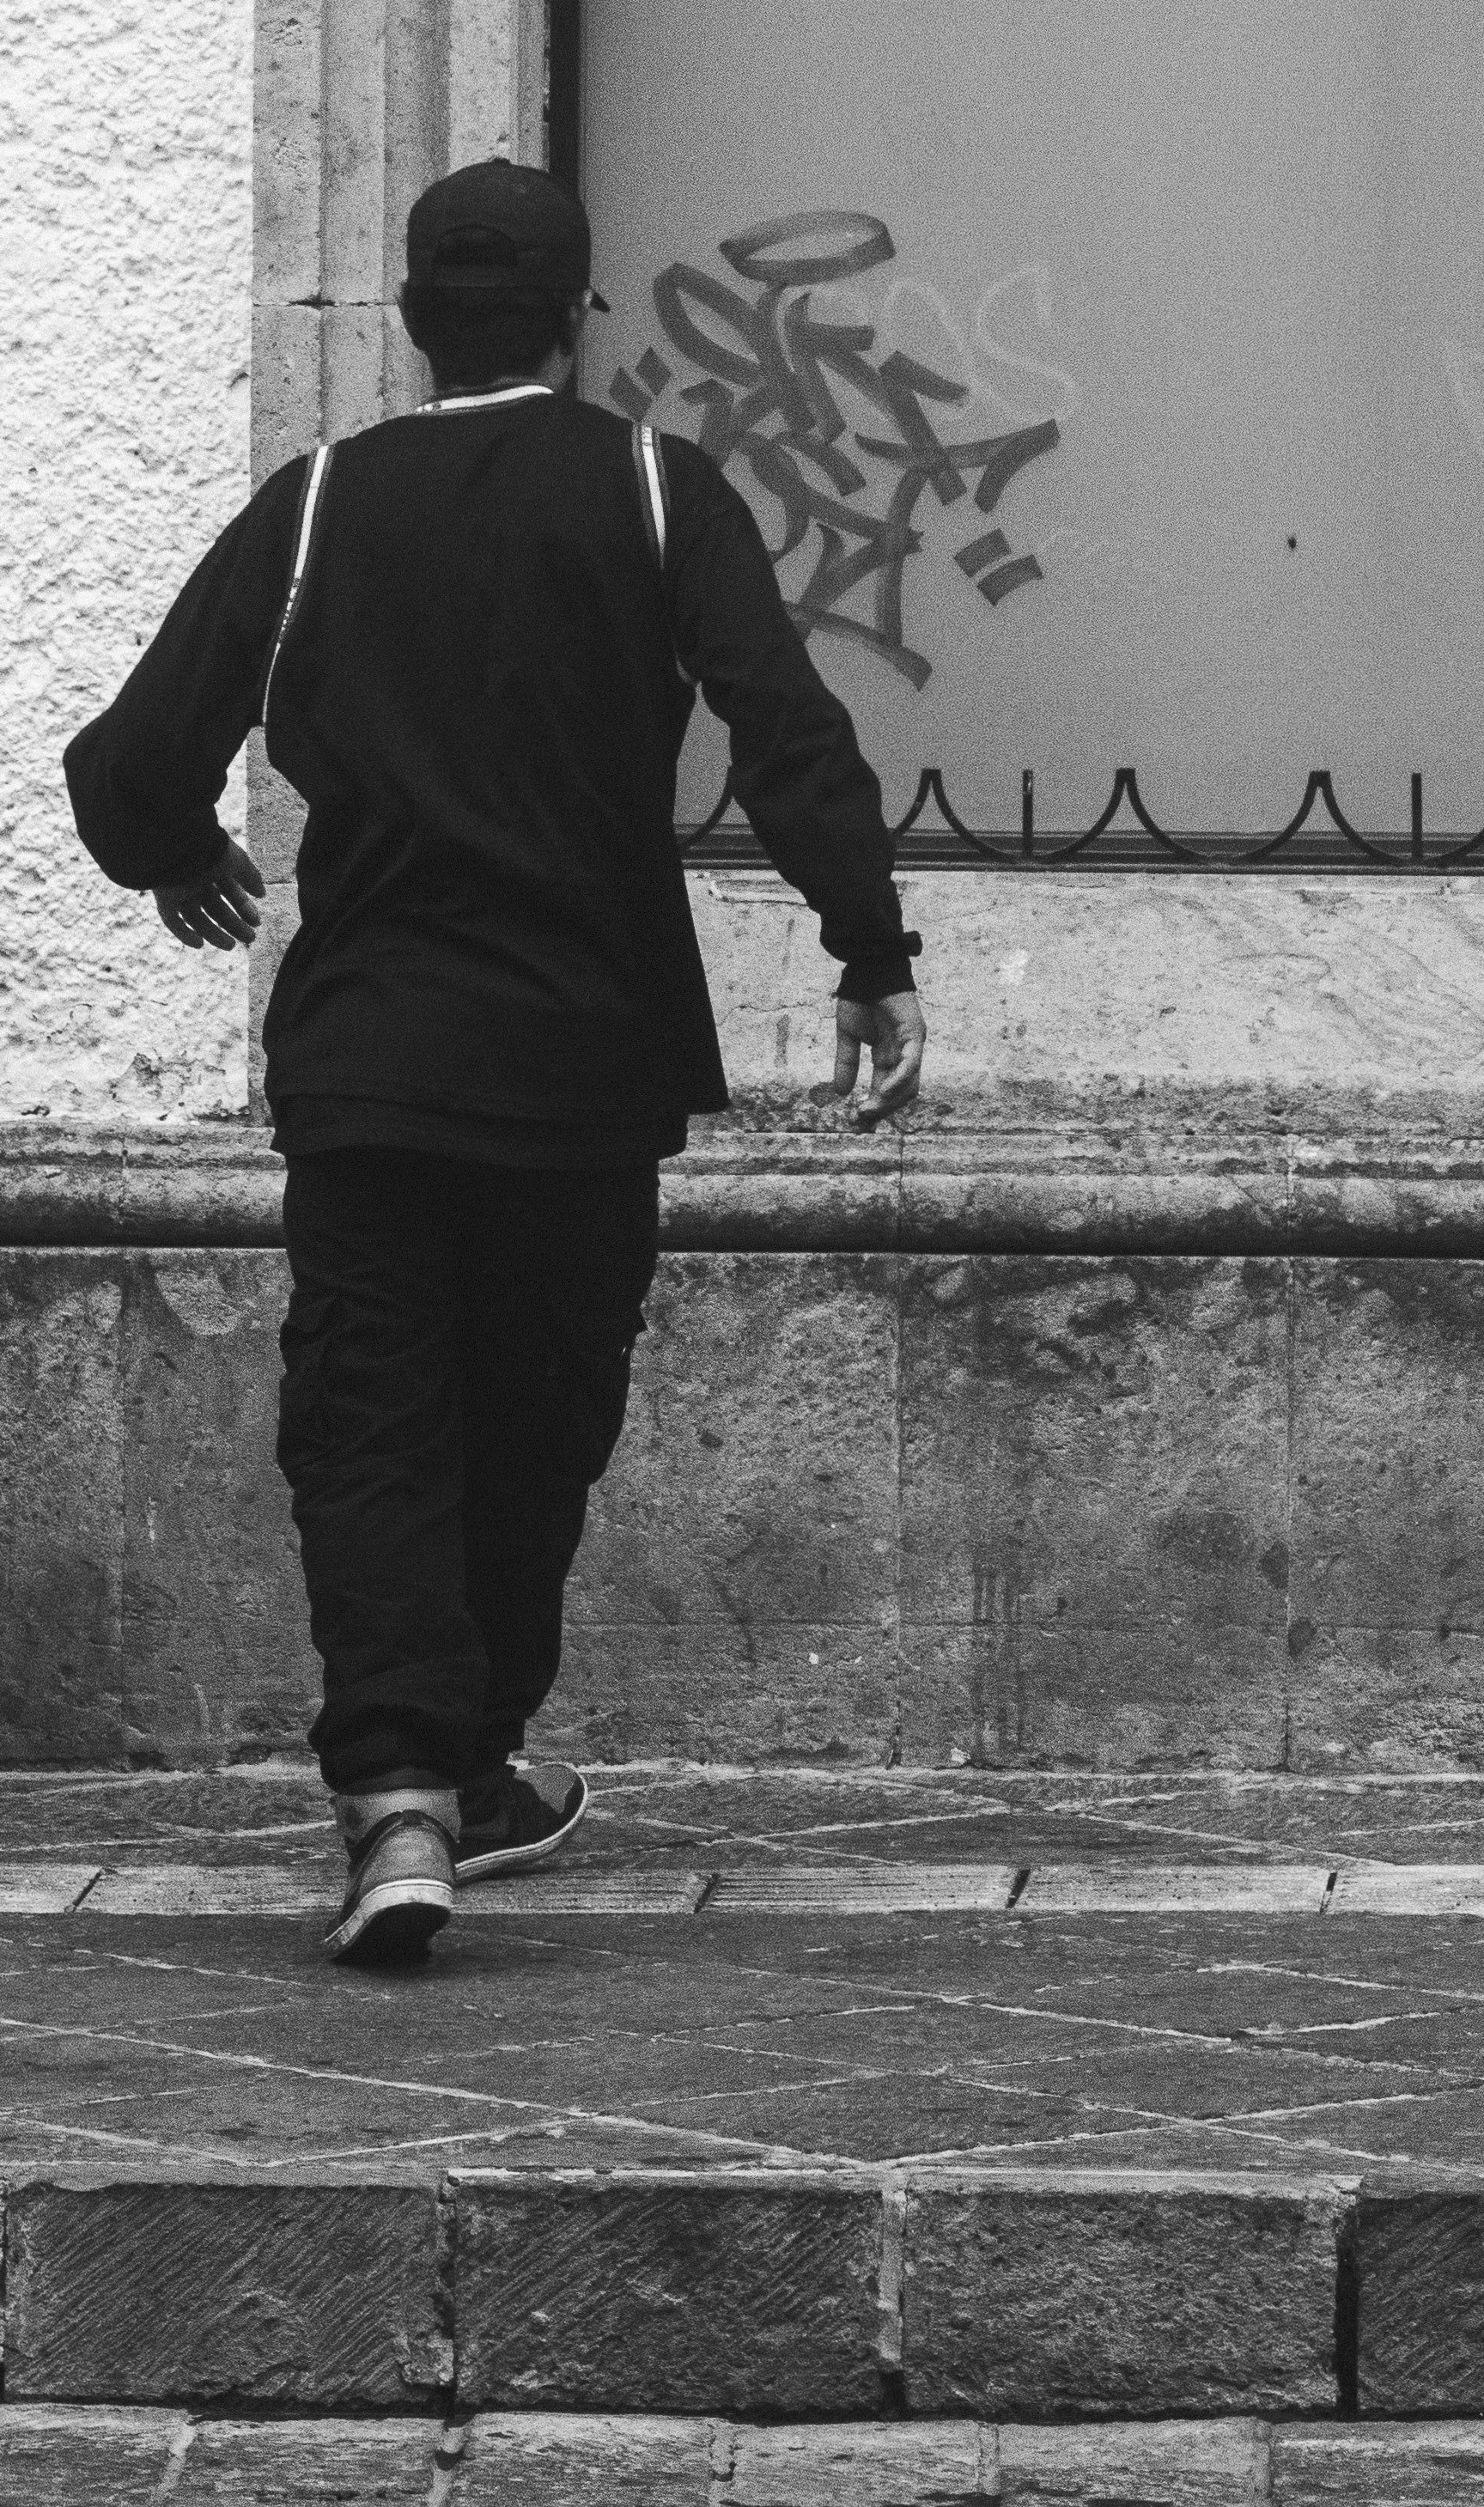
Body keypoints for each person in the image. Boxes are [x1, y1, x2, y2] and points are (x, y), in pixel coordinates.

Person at [64, 160, 925, 1967]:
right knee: (538, 1415)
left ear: (406, 319)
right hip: (582, 1057)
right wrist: (867, 947)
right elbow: (784, 724)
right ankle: (468, 1755)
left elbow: (131, 752)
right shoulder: (647, 484)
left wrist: (177, 855)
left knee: (372, 1417)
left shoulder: (312, 511)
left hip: (371, 1058)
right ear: (576, 313)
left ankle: (401, 1795)